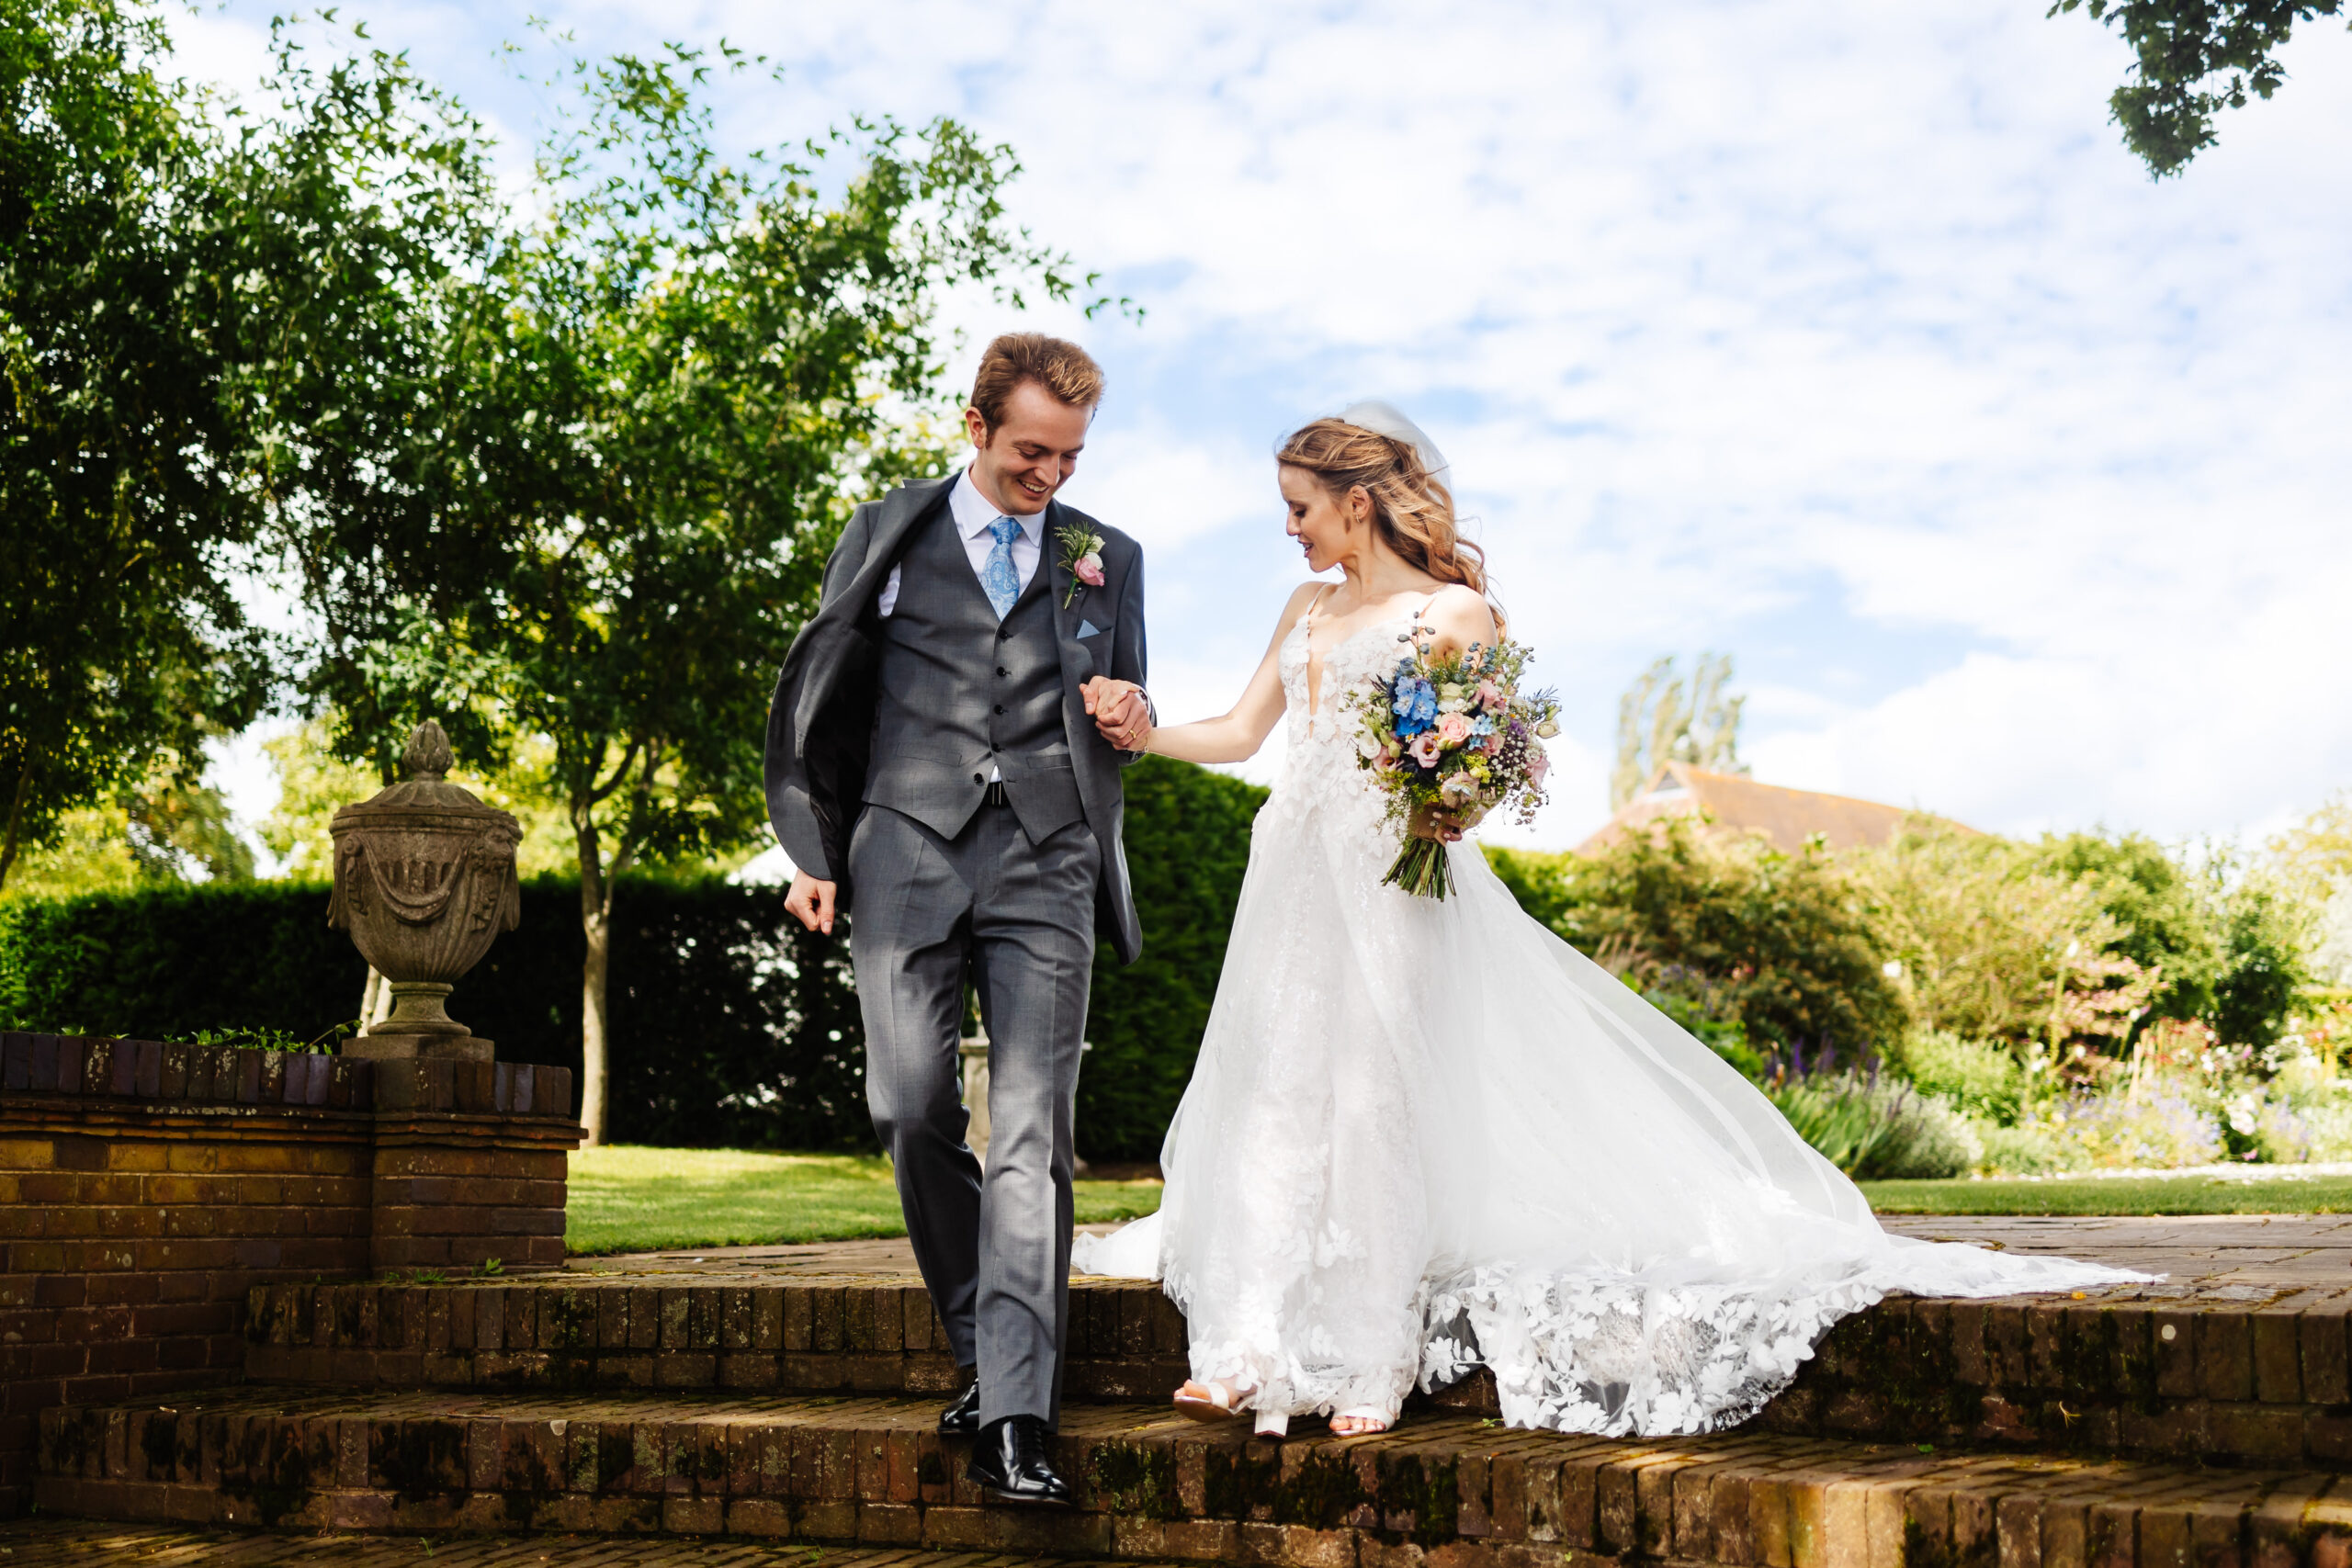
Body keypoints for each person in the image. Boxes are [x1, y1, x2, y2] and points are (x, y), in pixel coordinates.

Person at [1071, 401, 2144, 1440]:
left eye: (1300, 505)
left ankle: (1368, 1356)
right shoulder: (1303, 613)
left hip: (1394, 873)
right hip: (1296, 869)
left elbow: (1476, 762)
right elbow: (1242, 732)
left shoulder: (1450, 614)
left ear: (1357, 501)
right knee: (1281, 1092)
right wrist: (1142, 727)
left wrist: (1459, 797)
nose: (1290, 526)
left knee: (1373, 1098)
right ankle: (1244, 1349)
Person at [765, 333, 1152, 1506]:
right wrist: (811, 849)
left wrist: (1131, 706)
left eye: (1070, 457)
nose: (1051, 478)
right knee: (909, 1104)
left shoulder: (1106, 556)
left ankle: (1017, 1418)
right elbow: (823, 695)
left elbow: (1126, 700)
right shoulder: (884, 531)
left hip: (1049, 856)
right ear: (975, 425)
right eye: (1033, 451)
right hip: (904, 850)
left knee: (1034, 1130)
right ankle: (987, 1352)